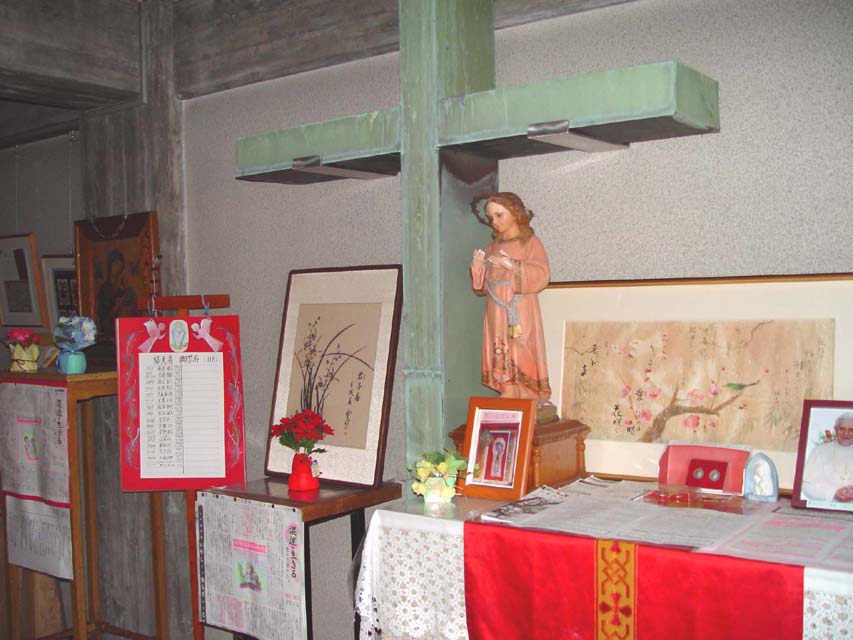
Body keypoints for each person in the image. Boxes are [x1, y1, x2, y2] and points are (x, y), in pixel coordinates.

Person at [470, 193, 551, 400]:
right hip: (496, 307)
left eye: (499, 215)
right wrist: (478, 269)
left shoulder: (530, 243)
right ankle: (507, 386)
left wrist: (513, 266)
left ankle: (526, 389)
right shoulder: (492, 247)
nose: (494, 222)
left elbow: (542, 274)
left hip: (519, 306)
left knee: (522, 344)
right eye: (491, 218)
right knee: (499, 346)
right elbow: (482, 287)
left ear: (515, 213)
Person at [801, 412, 853, 503]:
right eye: (842, 429)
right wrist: (833, 493)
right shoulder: (820, 451)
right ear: (835, 429)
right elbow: (806, 486)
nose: (846, 433)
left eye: (851, 430)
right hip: (828, 506)